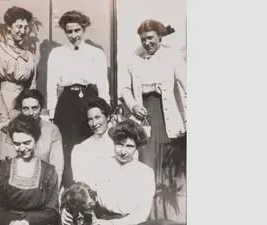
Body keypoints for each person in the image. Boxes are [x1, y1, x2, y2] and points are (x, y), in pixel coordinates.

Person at [120, 19, 187, 222]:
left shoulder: (172, 56)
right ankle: (148, 218)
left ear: (159, 36)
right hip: (145, 122)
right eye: (143, 39)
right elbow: (124, 88)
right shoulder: (134, 58)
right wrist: (133, 105)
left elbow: (188, 84)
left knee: (168, 171)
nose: (147, 42)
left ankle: (170, 218)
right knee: (147, 168)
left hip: (168, 121)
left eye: (151, 38)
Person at [47, 10, 110, 189]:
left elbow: (103, 85)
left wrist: (105, 111)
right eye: (69, 31)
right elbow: (51, 85)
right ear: (65, 32)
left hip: (89, 101)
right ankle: (69, 191)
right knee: (67, 148)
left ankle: (90, 190)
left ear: (83, 29)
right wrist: (52, 112)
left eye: (77, 30)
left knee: (89, 144)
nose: (73, 35)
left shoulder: (96, 53)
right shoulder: (56, 53)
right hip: (66, 103)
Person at [62, 119, 156, 225]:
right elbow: (82, 192)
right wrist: (67, 210)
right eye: (119, 145)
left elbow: (142, 214)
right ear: (113, 143)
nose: (123, 152)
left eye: (129, 146)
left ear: (137, 147)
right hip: (100, 220)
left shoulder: (146, 173)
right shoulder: (101, 165)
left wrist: (110, 223)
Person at [0, 6, 37, 161]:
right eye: (18, 26)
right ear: (9, 27)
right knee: (1, 154)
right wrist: (4, 115)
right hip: (1, 107)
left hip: (20, 109)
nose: (22, 31)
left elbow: (32, 87)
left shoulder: (29, 56)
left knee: (20, 153)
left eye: (26, 27)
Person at [0, 114, 60, 225]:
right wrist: (11, 222)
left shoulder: (48, 172)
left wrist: (28, 221)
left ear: (36, 139)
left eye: (27, 143)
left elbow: (52, 211)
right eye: (17, 144)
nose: (22, 149)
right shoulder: (3, 169)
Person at [71, 97, 138, 187]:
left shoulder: (122, 144)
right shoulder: (82, 148)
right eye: (90, 119)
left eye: (98, 117)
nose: (94, 123)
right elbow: (80, 181)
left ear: (108, 117)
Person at [8, 89, 64, 189]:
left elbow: (57, 169)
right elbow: (10, 165)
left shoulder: (52, 130)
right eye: (26, 109)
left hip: (44, 187)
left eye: (34, 108)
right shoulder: (14, 130)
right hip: (18, 186)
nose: (30, 113)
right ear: (21, 109)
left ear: (40, 108)